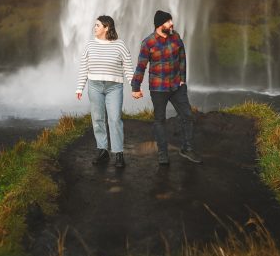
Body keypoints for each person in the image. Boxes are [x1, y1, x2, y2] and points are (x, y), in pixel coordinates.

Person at [131, 10, 202, 165]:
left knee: (187, 116)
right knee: (159, 120)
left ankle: (187, 148)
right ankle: (163, 154)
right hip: (158, 88)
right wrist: (135, 87)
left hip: (177, 86)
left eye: (171, 21)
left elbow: (182, 57)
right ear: (159, 25)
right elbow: (141, 66)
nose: (172, 24)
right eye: (168, 21)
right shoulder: (148, 43)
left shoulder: (175, 36)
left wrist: (183, 79)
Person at [76, 15, 133, 168]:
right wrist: (79, 87)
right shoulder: (89, 45)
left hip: (114, 87)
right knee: (98, 119)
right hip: (94, 86)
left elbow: (128, 67)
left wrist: (135, 86)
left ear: (107, 28)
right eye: (94, 25)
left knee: (115, 119)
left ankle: (119, 153)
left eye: (97, 25)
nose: (94, 28)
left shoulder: (120, 45)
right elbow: (84, 67)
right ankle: (103, 151)